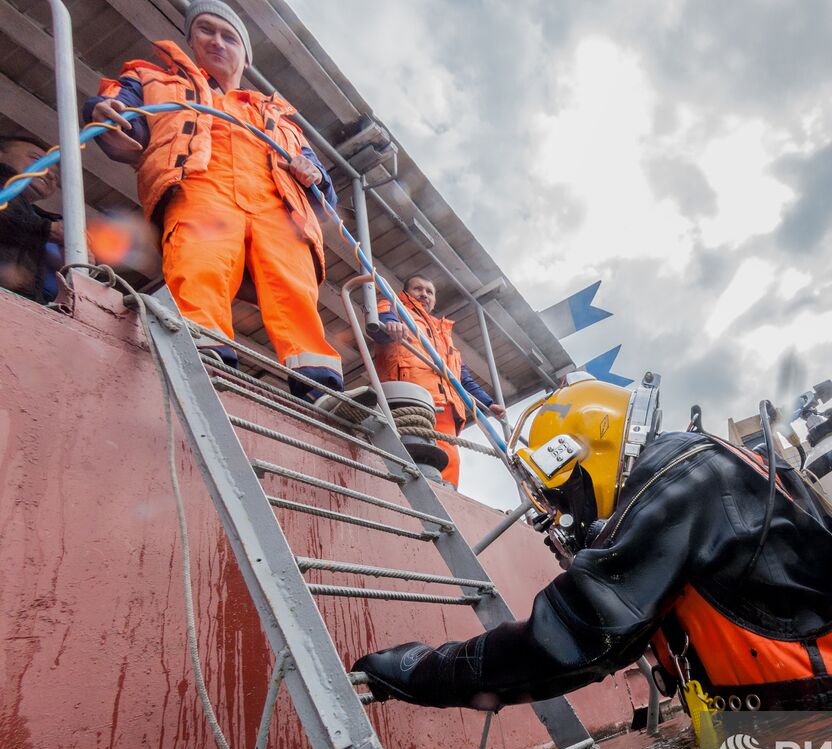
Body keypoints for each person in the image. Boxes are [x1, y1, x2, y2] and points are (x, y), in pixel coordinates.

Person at [353, 373, 832, 712]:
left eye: (561, 494)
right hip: (815, 727)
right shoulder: (690, 476)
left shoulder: (681, 473)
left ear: (581, 457)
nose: (565, 514)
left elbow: (571, 639)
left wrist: (419, 671)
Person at [83, 1, 342, 400]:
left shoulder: (278, 117)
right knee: (199, 267)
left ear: (244, 54)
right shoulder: (154, 81)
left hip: (278, 208)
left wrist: (314, 175)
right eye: (206, 30)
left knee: (295, 291)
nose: (217, 41)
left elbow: (324, 188)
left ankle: (320, 388)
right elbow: (119, 116)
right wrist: (106, 113)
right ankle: (207, 357)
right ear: (190, 40)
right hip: (202, 191)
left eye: (229, 36)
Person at [372, 274, 506, 486]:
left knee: (450, 462)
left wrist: (489, 404)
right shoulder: (392, 306)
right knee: (415, 455)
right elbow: (380, 327)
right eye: (418, 289)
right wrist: (391, 326)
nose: (424, 294)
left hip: (446, 408)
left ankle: (448, 502)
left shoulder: (444, 334)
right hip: (412, 400)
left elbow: (461, 377)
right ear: (406, 292)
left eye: (429, 292)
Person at [0, 134, 64, 303]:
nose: (49, 174)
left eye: (56, 177)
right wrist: (45, 229)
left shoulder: (40, 219)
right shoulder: (42, 224)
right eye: (35, 158)